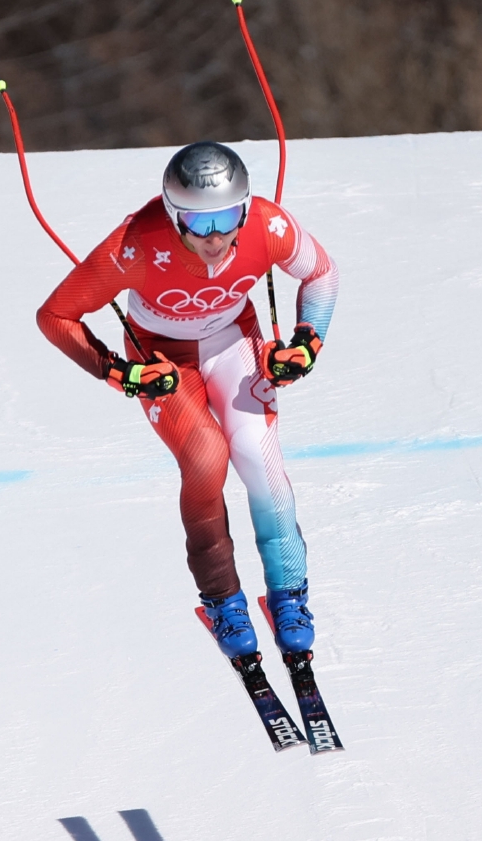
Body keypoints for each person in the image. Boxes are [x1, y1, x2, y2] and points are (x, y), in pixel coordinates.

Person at [36, 142, 338, 661]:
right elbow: (56, 316)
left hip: (233, 341)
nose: (216, 237)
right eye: (198, 224)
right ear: (174, 216)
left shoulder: (267, 225)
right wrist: (118, 372)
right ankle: (222, 597)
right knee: (205, 458)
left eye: (226, 218)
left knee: (259, 461)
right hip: (162, 358)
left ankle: (289, 594)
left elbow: (321, 274)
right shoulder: (135, 245)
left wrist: (308, 340)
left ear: (244, 207)